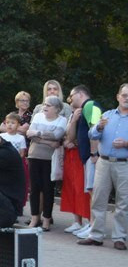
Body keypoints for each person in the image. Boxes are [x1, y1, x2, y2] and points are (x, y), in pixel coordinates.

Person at [80, 83, 128, 249]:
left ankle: (120, 237)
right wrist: (99, 127)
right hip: (104, 162)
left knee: (123, 203)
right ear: (118, 97)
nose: (126, 98)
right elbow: (91, 134)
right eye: (124, 95)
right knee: (98, 199)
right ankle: (96, 235)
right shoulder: (107, 115)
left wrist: (126, 144)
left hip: (124, 164)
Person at [62, 86, 101, 238]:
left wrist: (94, 153)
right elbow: (72, 137)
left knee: (93, 192)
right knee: (90, 191)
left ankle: (94, 226)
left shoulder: (91, 105)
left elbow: (96, 130)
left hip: (92, 156)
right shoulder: (82, 109)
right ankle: (91, 224)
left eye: (72, 96)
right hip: (86, 157)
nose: (70, 100)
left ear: (80, 94)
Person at [25, 95, 68, 230]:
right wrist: (47, 139)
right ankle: (34, 217)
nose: (45, 107)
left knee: (48, 189)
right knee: (35, 189)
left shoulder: (62, 120)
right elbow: (29, 133)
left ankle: (46, 219)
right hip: (34, 155)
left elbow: (57, 135)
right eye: (44, 104)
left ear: (57, 108)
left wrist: (39, 136)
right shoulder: (37, 116)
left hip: (50, 159)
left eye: (48, 105)